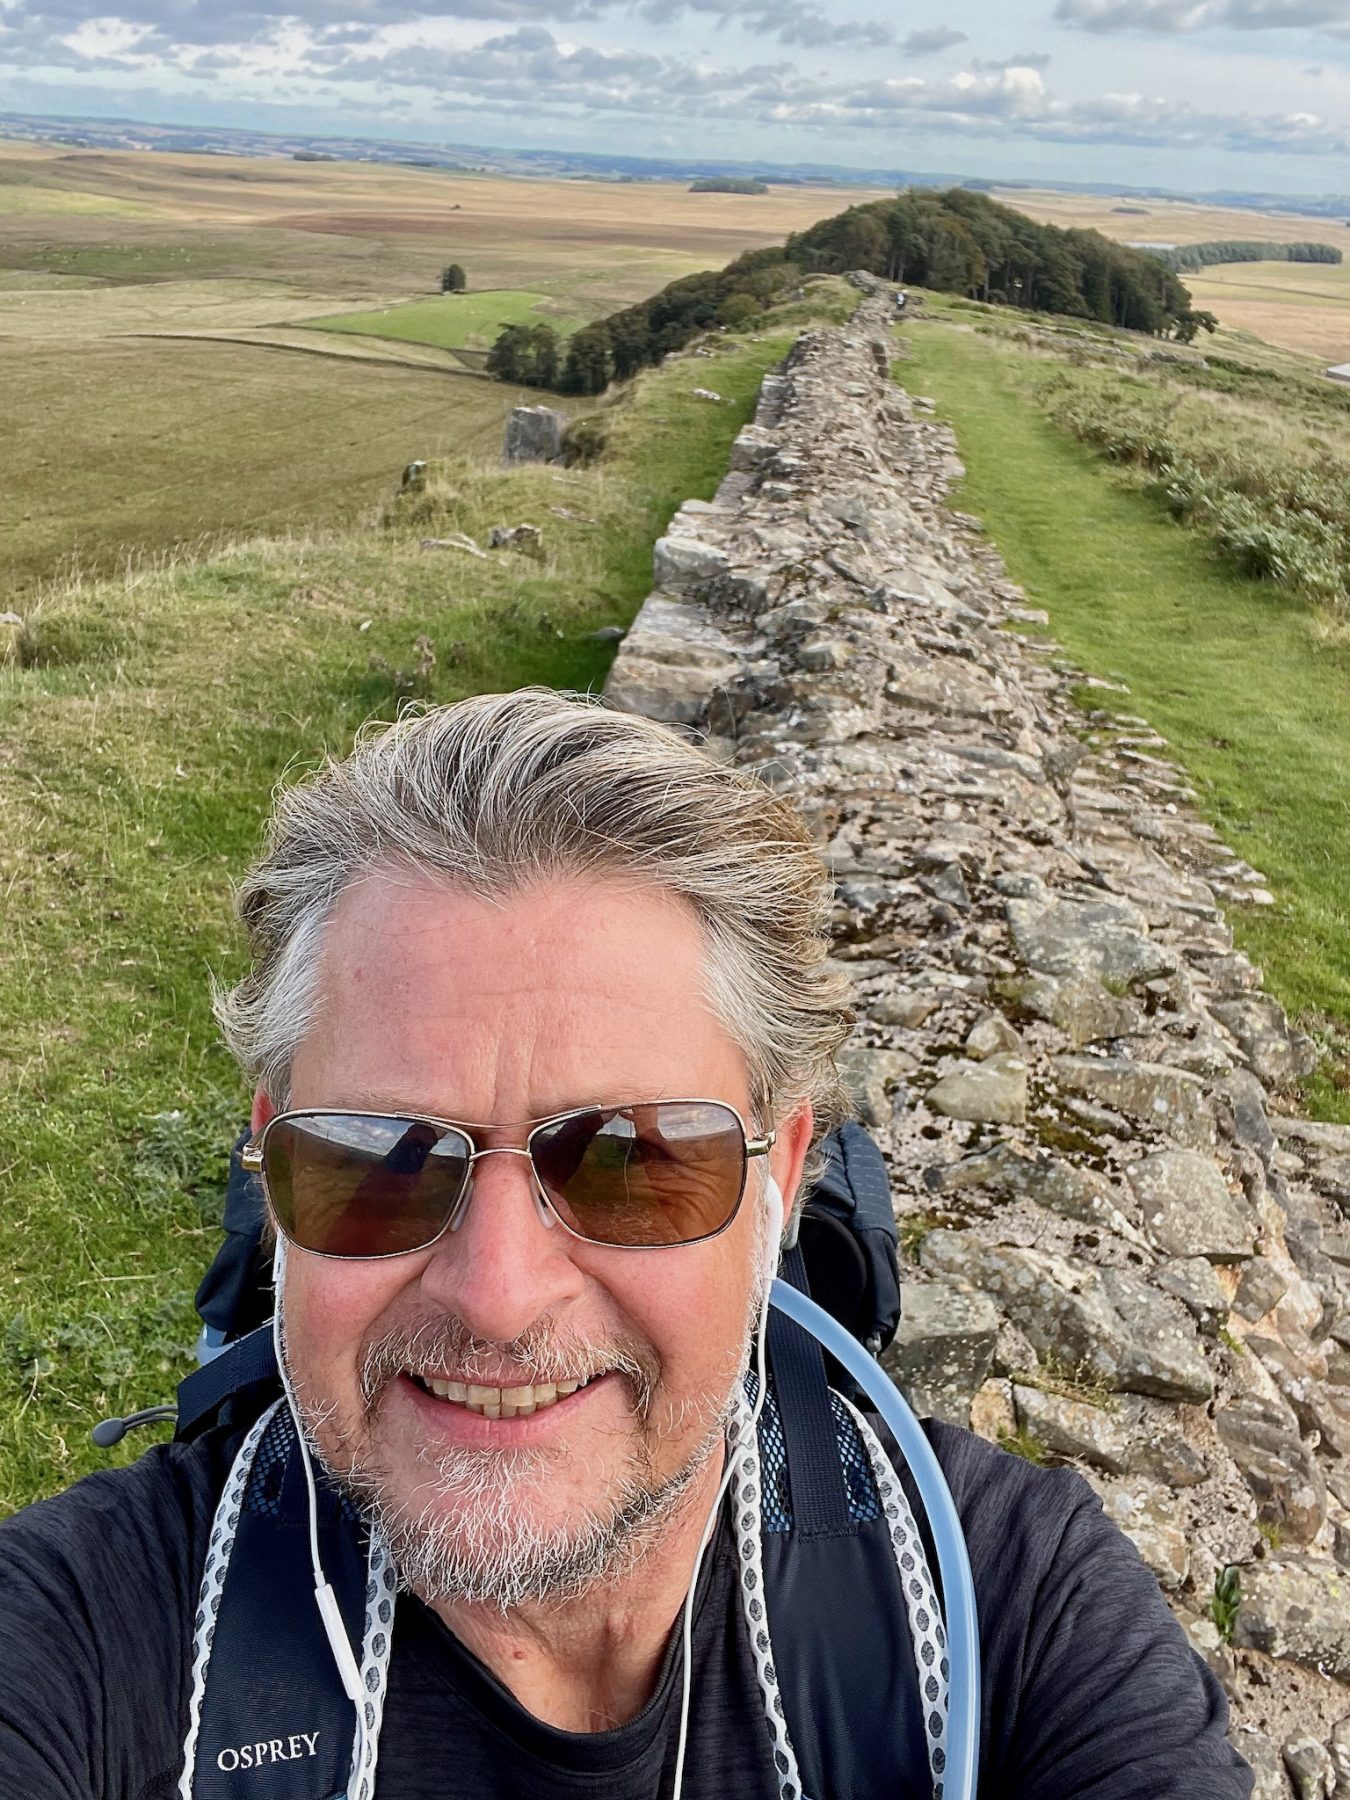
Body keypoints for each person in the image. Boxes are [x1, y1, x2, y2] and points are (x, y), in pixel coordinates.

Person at [0, 688, 1253, 1799]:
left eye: (634, 1160)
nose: (496, 1297)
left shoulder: (1006, 1605)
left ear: (782, 1181)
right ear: (274, 1167)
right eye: (381, 1158)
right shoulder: (88, 1635)